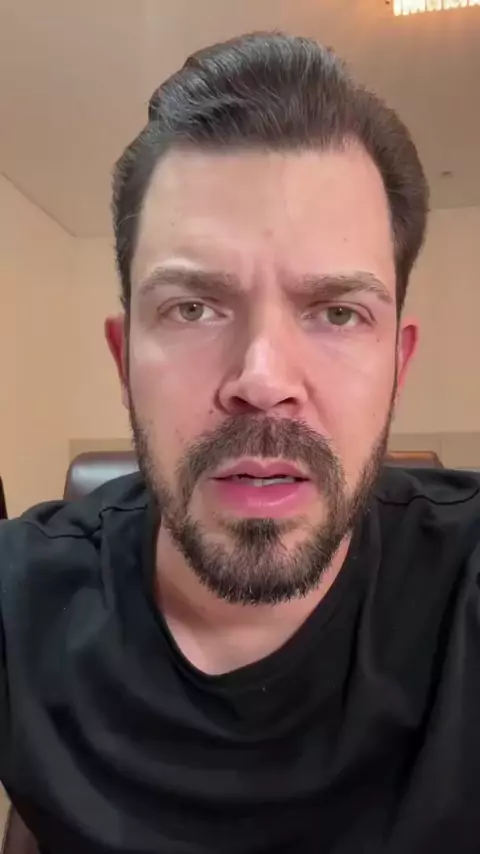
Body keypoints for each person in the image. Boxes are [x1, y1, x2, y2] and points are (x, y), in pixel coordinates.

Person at [0, 31, 479, 854]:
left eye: (337, 312)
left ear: (398, 368)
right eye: (193, 308)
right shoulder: (19, 607)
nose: (262, 379)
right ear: (124, 361)